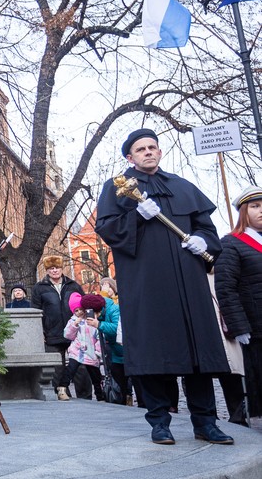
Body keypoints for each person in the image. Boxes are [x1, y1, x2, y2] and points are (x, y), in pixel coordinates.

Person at [96, 128, 233, 445]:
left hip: (189, 284)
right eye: (140, 149)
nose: (148, 152)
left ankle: (205, 422)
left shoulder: (182, 186)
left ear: (159, 151)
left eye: (152, 147)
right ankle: (159, 422)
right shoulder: (117, 189)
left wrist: (203, 241)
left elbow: (206, 228)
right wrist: (138, 218)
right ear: (130, 157)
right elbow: (108, 228)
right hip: (148, 285)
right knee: (155, 353)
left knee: (198, 355)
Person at [215, 185, 262, 424]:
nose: (261, 211)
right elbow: (225, 289)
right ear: (244, 212)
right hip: (256, 326)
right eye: (255, 206)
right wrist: (239, 327)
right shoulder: (232, 244)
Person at [31, 254, 87, 399]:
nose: (54, 270)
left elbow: (84, 305)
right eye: (51, 268)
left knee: (80, 364)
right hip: (52, 332)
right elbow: (36, 311)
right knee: (57, 366)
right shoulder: (39, 288)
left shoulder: (73, 285)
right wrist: (40, 331)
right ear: (47, 270)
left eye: (57, 268)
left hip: (75, 331)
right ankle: (61, 393)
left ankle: (84, 396)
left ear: (62, 269)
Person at [57, 293, 104, 401]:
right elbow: (67, 335)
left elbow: (98, 336)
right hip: (77, 351)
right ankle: (62, 389)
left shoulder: (91, 319)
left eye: (80, 309)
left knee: (95, 375)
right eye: (76, 311)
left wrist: (98, 351)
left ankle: (100, 395)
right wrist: (74, 325)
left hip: (91, 352)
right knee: (70, 370)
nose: (79, 312)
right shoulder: (73, 320)